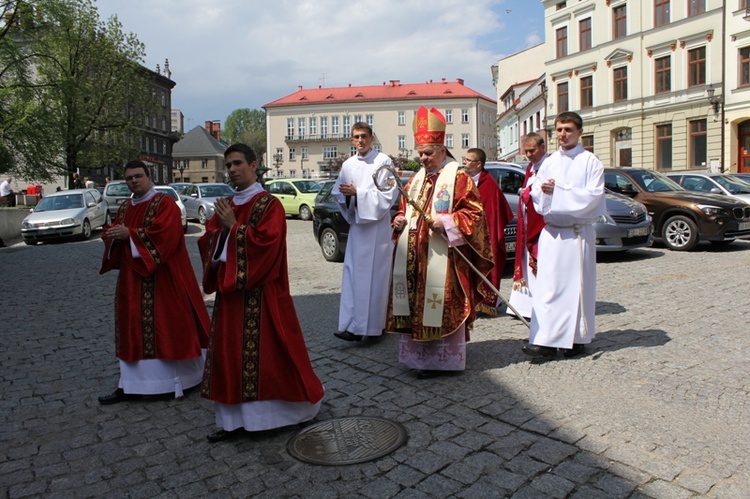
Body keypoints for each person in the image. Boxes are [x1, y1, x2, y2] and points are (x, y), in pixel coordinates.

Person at [198, 143, 324, 443]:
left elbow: (267, 247)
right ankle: (232, 421)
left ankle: (275, 417)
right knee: (230, 355)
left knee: (270, 357)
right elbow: (209, 242)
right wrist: (222, 231)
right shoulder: (226, 204)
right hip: (231, 300)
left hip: (263, 297)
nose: (232, 170)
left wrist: (234, 227)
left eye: (238, 163)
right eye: (228, 165)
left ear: (254, 166)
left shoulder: (271, 205)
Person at [387, 106, 494, 379]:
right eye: (420, 153)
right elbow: (404, 208)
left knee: (440, 305)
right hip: (414, 258)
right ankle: (418, 360)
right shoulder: (415, 180)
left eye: (428, 153)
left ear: (442, 150)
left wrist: (446, 223)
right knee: (415, 308)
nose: (423, 158)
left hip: (444, 260)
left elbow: (474, 214)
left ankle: (444, 362)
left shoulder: (457, 177)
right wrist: (399, 219)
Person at [98, 160, 211, 404]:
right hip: (131, 280)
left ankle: (175, 381)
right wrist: (112, 235)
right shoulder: (126, 207)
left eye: (138, 176)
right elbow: (118, 232)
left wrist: (131, 235)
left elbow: (166, 236)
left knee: (166, 326)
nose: (134, 181)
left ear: (150, 178)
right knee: (132, 328)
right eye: (129, 178)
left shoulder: (165, 204)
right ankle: (129, 384)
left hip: (164, 279)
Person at [522, 112, 605, 359]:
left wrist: (559, 191)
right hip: (553, 234)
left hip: (577, 234)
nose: (562, 134)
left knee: (578, 288)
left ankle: (576, 338)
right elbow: (536, 193)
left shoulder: (591, 162)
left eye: (568, 129)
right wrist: (545, 193)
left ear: (579, 132)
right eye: (558, 129)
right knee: (548, 288)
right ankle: (544, 339)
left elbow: (593, 197)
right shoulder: (549, 161)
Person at [332, 122, 398, 342]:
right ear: (352, 140)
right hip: (358, 229)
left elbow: (388, 195)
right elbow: (338, 193)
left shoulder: (383, 162)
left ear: (371, 138)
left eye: (363, 136)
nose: (359, 140)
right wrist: (349, 196)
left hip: (377, 229)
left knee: (376, 279)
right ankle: (351, 325)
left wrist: (358, 193)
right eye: (355, 137)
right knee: (353, 277)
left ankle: (374, 328)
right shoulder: (348, 164)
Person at [462, 148, 513, 316]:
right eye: (465, 159)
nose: (465, 163)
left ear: (478, 164)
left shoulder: (489, 184)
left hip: (484, 235)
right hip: (465, 233)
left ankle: (485, 302)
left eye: (469, 160)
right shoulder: (464, 180)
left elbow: (493, 215)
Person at [507, 133, 548, 320]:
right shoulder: (531, 168)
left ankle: (538, 305)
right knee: (526, 263)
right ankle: (524, 305)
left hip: (540, 226)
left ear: (543, 147)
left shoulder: (549, 167)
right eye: (526, 151)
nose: (529, 155)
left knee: (538, 266)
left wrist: (527, 194)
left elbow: (544, 194)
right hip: (526, 222)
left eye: (532, 150)